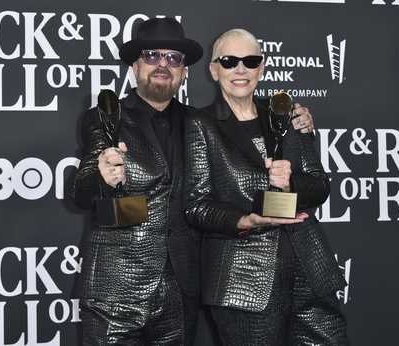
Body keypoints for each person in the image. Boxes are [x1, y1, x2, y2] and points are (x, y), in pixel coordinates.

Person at [184, 29, 349, 345]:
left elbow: (319, 185)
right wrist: (246, 220)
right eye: (230, 61)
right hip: (245, 279)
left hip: (309, 268)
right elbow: (196, 204)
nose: (241, 70)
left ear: (262, 66)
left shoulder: (285, 114)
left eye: (250, 60)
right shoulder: (200, 124)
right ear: (214, 69)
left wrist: (290, 183)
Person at [72, 18, 204, 345]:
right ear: (135, 66)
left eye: (173, 58)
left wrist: (294, 116)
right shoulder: (105, 116)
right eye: (152, 55)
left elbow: (245, 121)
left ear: (184, 71)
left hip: (180, 294)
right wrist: (100, 177)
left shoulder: (201, 124)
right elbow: (79, 191)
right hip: (114, 293)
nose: (162, 64)